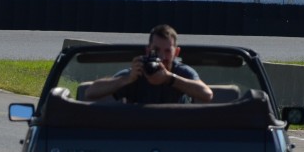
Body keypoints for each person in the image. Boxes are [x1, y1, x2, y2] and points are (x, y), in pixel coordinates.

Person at [82, 24, 213, 104]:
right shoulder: (138, 71)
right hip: (140, 132)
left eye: (167, 51)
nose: (161, 56)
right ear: (148, 50)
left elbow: (207, 94)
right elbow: (90, 93)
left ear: (176, 52)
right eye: (156, 50)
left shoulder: (181, 72)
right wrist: (127, 79)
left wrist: (170, 78)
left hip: (174, 131)